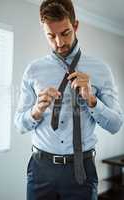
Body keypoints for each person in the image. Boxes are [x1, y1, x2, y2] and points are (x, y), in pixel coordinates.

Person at [14, 0, 123, 199]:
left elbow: (116, 125)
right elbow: (19, 124)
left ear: (75, 26)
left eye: (65, 33)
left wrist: (92, 100)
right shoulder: (33, 71)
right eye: (51, 36)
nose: (59, 43)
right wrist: (36, 110)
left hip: (81, 170)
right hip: (41, 171)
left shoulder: (101, 70)